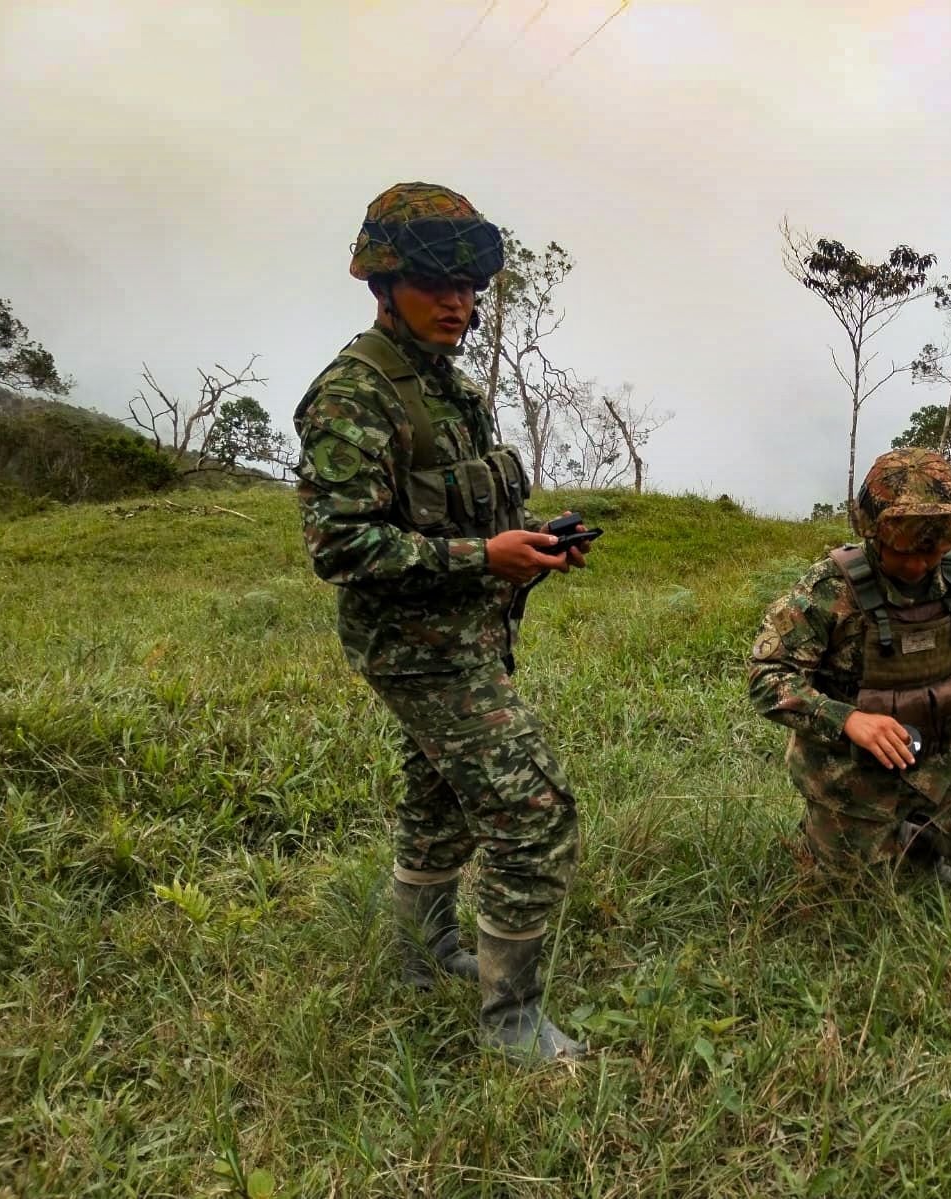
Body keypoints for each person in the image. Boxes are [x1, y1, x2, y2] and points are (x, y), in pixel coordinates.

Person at [293, 181, 587, 1061]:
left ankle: (425, 956)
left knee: (439, 798)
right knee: (534, 810)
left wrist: (527, 543)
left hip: (469, 635)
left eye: (468, 287)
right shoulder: (355, 395)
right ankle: (511, 1020)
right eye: (434, 283)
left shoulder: (449, 388)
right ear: (383, 285)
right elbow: (340, 547)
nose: (457, 301)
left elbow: (460, 513)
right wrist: (479, 558)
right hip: (418, 650)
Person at [748, 448, 951, 883]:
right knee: (854, 886)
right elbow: (767, 677)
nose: (916, 565)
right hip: (847, 767)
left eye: (932, 553)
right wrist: (848, 719)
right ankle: (841, 831)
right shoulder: (827, 591)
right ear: (872, 534)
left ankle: (918, 831)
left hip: (940, 754)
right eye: (902, 552)